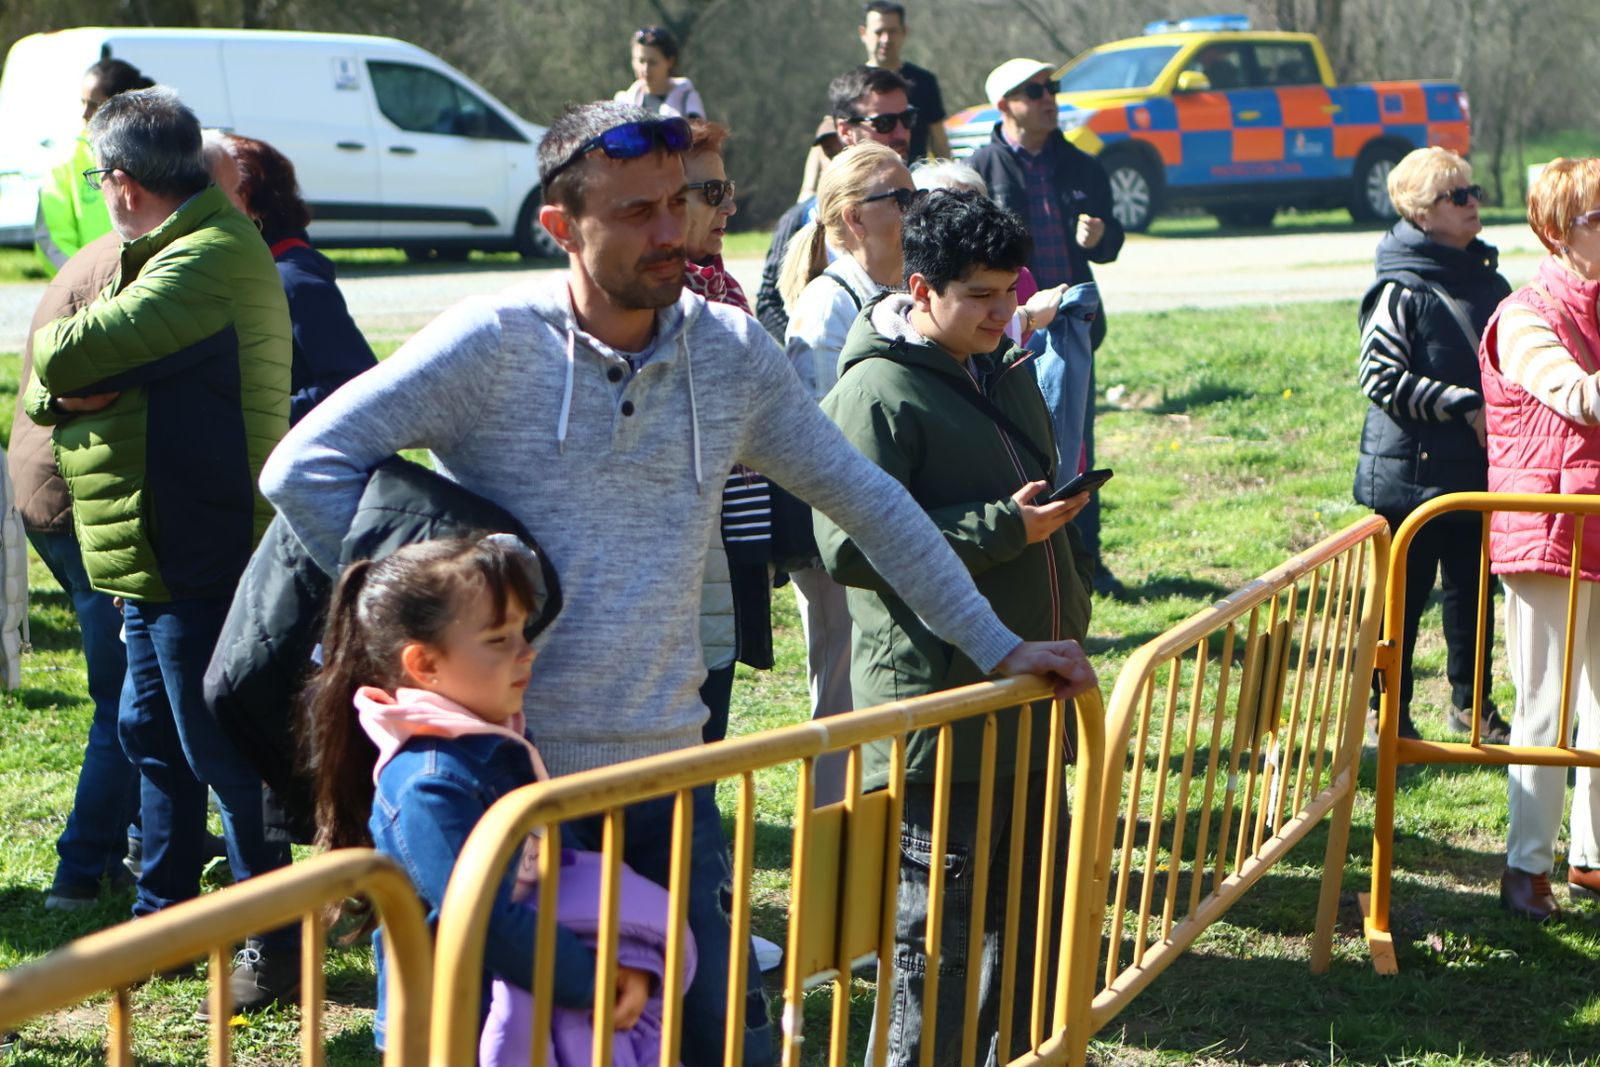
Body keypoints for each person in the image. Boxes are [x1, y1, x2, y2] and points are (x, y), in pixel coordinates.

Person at [260, 100, 1093, 1067]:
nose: (673, 232)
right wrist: (442, 619)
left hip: (668, 774)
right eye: (638, 213)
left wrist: (998, 644)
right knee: (493, 1040)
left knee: (695, 1037)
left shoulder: (729, 354)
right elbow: (303, 468)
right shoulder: (492, 341)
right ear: (563, 226)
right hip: (494, 784)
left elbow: (871, 503)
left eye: (683, 202)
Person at [24, 88, 295, 1006]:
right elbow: (55, 377)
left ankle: (273, 933)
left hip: (197, 538)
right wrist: (68, 387)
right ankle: (162, 918)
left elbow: (58, 355)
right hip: (152, 539)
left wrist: (68, 381)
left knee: (217, 745)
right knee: (152, 737)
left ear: (121, 183)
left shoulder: (209, 256)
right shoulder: (171, 249)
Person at [814, 188, 1094, 1066]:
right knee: (936, 936)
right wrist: (998, 527)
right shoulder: (876, 393)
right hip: (942, 712)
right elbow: (848, 549)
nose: (1002, 311)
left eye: (1010, 291)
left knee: (1030, 914)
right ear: (923, 286)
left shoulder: (1001, 363)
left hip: (1031, 690)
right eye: (978, 295)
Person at [303, 535, 674, 1058]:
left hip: (522, 1003)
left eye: (523, 631)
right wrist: (596, 980)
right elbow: (483, 918)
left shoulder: (494, 743)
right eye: (500, 639)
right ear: (424, 664)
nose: (527, 651)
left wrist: (618, 962)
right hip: (451, 1030)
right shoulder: (430, 784)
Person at [1353, 147, 1510, 744]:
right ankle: (1382, 713)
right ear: (1422, 211)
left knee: (1473, 600)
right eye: (1458, 196)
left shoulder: (1490, 281)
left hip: (1473, 471)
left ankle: (1473, 709)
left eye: (1473, 192)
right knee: (1401, 604)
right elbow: (1379, 378)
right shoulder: (1399, 288)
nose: (1473, 205)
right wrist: (1463, 403)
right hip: (1407, 480)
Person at [1479, 158, 1600, 921]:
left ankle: (1591, 856)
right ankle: (1528, 869)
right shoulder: (1524, 313)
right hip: (1548, 531)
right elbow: (1580, 398)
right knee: (1546, 705)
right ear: (1557, 232)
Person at [777, 142, 912, 806]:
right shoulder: (829, 307)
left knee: (873, 687)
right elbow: (810, 436)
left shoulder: (888, 292)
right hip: (837, 535)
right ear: (855, 218)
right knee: (840, 691)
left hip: (883, 525)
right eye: (902, 198)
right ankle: (829, 839)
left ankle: (872, 827)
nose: (916, 212)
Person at [12, 230, 139, 911]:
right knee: (124, 696)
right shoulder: (136, 259)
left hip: (56, 492)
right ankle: (81, 871)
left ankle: (137, 842)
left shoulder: (120, 249)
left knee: (132, 689)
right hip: (77, 501)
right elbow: (80, 381)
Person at [968, 58, 1126, 594]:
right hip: (1005, 334)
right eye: (1033, 91)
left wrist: (1102, 237)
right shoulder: (981, 171)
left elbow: (1110, 246)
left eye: (1051, 88)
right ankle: (1033, 560)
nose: (1047, 98)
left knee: (1077, 448)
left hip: (1071, 334)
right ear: (1004, 105)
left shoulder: (1083, 165)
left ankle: (1088, 564)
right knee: (1021, 452)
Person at [205, 132, 377, 424]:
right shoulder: (250, 270)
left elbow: (355, 385)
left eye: (211, 189)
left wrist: (253, 421)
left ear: (247, 200)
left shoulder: (292, 280)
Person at [756, 65, 914, 341]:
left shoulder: (927, 192)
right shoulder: (803, 217)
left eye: (907, 118)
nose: (900, 133)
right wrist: (824, 337)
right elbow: (770, 303)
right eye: (885, 123)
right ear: (845, 130)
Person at [34, 58, 154, 276]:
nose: (84, 113)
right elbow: (52, 240)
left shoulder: (161, 154)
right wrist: (89, 283)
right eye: (82, 102)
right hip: (90, 292)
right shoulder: (65, 164)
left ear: (122, 105)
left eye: (94, 104)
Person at [857, 0, 948, 160]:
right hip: (867, 180)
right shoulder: (852, 84)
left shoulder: (924, 81)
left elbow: (939, 140)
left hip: (915, 179)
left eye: (892, 31)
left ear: (904, 32)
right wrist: (808, 185)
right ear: (863, 33)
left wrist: (949, 178)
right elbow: (827, 138)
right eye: (879, 32)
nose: (886, 39)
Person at [614, 25, 705, 119]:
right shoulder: (624, 103)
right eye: (641, 61)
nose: (645, 69)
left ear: (670, 62)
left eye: (652, 62)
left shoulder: (687, 101)